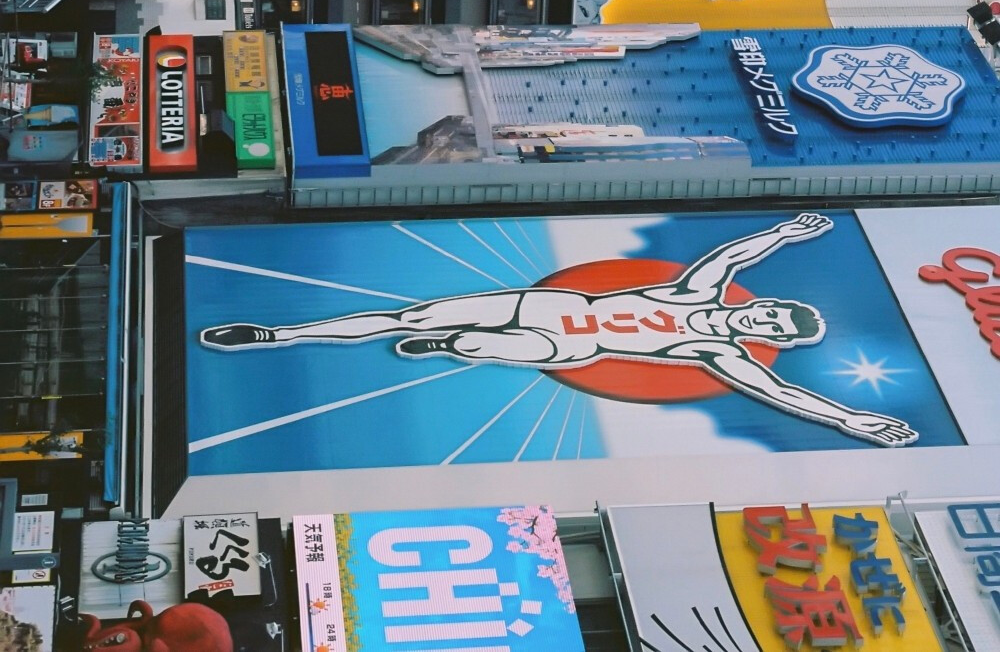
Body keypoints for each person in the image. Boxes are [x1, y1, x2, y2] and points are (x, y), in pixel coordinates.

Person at [199, 211, 916, 447]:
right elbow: (734, 252)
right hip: (546, 303)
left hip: (567, 342)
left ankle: (451, 348)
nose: (761, 318)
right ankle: (279, 336)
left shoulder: (718, 351)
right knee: (404, 317)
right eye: (770, 310)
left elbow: (792, 400)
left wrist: (857, 419)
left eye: (773, 328)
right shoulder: (701, 288)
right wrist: (789, 231)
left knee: (487, 347)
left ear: (771, 340)